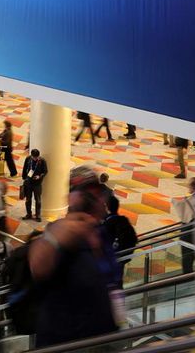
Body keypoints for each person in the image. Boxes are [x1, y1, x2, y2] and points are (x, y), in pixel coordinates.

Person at [27, 166, 120, 346]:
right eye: (88, 195)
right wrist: (55, 237)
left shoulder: (102, 233)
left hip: (101, 339)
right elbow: (38, 266)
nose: (98, 200)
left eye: (98, 194)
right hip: (67, 342)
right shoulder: (62, 231)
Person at [171, 177, 195, 274]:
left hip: (189, 230)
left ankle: (187, 276)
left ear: (192, 187)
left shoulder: (189, 200)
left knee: (187, 255)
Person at [21, 148, 47, 220]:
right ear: (31, 156)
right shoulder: (28, 159)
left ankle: (38, 215)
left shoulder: (42, 161)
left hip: (37, 184)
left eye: (37, 157)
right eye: (34, 157)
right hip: (28, 182)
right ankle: (28, 214)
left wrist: (39, 176)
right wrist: (24, 178)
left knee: (38, 200)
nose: (35, 158)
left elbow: (45, 171)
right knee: (28, 199)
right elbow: (24, 168)